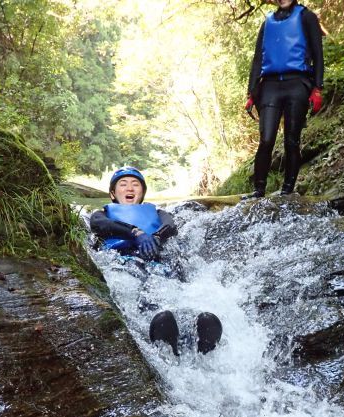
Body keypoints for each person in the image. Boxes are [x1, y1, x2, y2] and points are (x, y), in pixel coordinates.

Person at [89, 166, 223, 355]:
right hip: (124, 261)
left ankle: (196, 333)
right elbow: (98, 224)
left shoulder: (157, 213)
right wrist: (136, 232)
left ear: (142, 192)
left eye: (135, 185)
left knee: (171, 283)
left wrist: (157, 237)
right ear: (113, 193)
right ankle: (159, 331)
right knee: (143, 292)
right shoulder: (102, 213)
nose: (129, 188)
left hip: (159, 262)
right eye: (123, 184)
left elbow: (170, 225)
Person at [242, 0, 324, 200]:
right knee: (266, 139)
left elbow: (318, 54)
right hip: (270, 86)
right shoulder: (267, 21)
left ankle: (288, 190)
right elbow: (257, 59)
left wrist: (317, 88)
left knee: (291, 140)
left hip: (297, 83)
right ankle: (258, 190)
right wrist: (251, 92)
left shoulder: (307, 17)